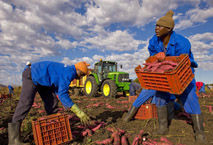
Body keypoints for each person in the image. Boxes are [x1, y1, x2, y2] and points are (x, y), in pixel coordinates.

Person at [126, 10, 205, 143]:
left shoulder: (182, 42)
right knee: (160, 96)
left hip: (183, 73)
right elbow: (152, 58)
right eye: (156, 25)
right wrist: (156, 57)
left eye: (159, 26)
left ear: (169, 29)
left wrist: (166, 58)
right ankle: (163, 127)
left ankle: (199, 132)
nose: (156, 28)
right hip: (162, 75)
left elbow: (181, 61)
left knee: (191, 97)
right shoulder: (153, 41)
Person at [8, 61, 91, 145]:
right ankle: (13, 140)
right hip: (32, 75)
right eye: (82, 75)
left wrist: (66, 103)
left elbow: (57, 88)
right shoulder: (69, 73)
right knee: (26, 103)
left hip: (44, 82)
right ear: (78, 71)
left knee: (52, 103)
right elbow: (63, 94)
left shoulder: (68, 70)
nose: (80, 78)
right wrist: (78, 111)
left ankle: (53, 130)